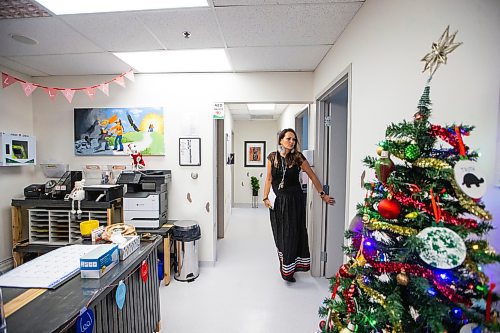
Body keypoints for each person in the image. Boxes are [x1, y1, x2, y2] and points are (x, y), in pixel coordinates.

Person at [262, 128, 335, 282]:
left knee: (292, 234)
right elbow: (268, 179)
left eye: (294, 139)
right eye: (288, 138)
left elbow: (312, 176)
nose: (291, 142)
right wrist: (265, 197)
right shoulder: (272, 157)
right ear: (281, 140)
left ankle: (288, 271)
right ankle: (285, 263)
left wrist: (322, 194)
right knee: (280, 234)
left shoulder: (298, 158)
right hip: (277, 202)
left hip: (294, 202)